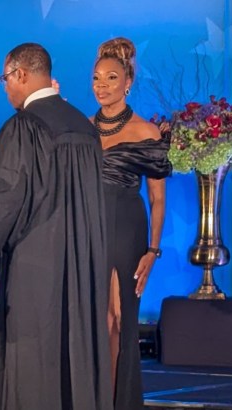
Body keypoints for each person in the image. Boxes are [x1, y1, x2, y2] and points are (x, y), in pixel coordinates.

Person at [0, 43, 113, 410]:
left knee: (31, 356)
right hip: (81, 265)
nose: (5, 88)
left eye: (5, 79)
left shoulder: (23, 127)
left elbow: (5, 198)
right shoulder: (84, 126)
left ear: (20, 74)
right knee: (71, 350)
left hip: (35, 262)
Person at [91, 37, 171, 409]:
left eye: (111, 78)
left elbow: (157, 199)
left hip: (126, 226)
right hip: (88, 227)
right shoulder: (82, 129)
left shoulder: (146, 132)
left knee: (119, 317)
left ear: (128, 83)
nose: (102, 85)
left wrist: (153, 251)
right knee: (96, 319)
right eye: (96, 78)